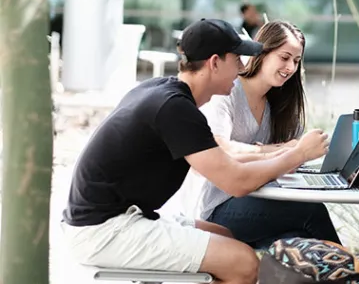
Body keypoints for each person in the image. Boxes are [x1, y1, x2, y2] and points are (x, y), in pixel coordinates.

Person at [60, 18, 330, 284]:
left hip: (118, 217)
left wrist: (280, 153)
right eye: (237, 59)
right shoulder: (176, 109)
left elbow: (226, 161)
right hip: (104, 230)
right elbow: (236, 181)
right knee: (244, 262)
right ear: (214, 62)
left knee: (225, 236)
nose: (241, 68)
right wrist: (298, 155)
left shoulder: (163, 93)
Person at [198, 20, 341, 248]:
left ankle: (345, 273)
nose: (290, 68)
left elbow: (290, 158)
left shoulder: (282, 105)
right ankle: (354, 274)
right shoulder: (228, 92)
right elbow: (221, 149)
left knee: (304, 242)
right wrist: (281, 151)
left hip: (265, 201)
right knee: (312, 212)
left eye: (296, 61)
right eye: (284, 58)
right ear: (261, 53)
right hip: (221, 208)